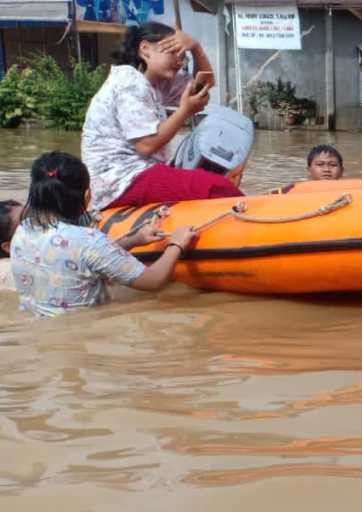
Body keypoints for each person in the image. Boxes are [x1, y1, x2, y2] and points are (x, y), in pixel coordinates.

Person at [9, 152, 197, 318]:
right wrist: (176, 245)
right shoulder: (88, 240)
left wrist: (134, 240)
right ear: (87, 196)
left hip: (39, 326)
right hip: (83, 331)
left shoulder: (22, 231)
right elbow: (153, 280)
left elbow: (78, 260)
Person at [81, 22, 243, 211]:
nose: (180, 62)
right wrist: (185, 111)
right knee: (216, 186)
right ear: (145, 49)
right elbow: (146, 145)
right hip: (121, 179)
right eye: (173, 53)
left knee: (216, 170)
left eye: (183, 56)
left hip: (140, 171)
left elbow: (206, 83)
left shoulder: (156, 83)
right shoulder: (129, 81)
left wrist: (196, 48)